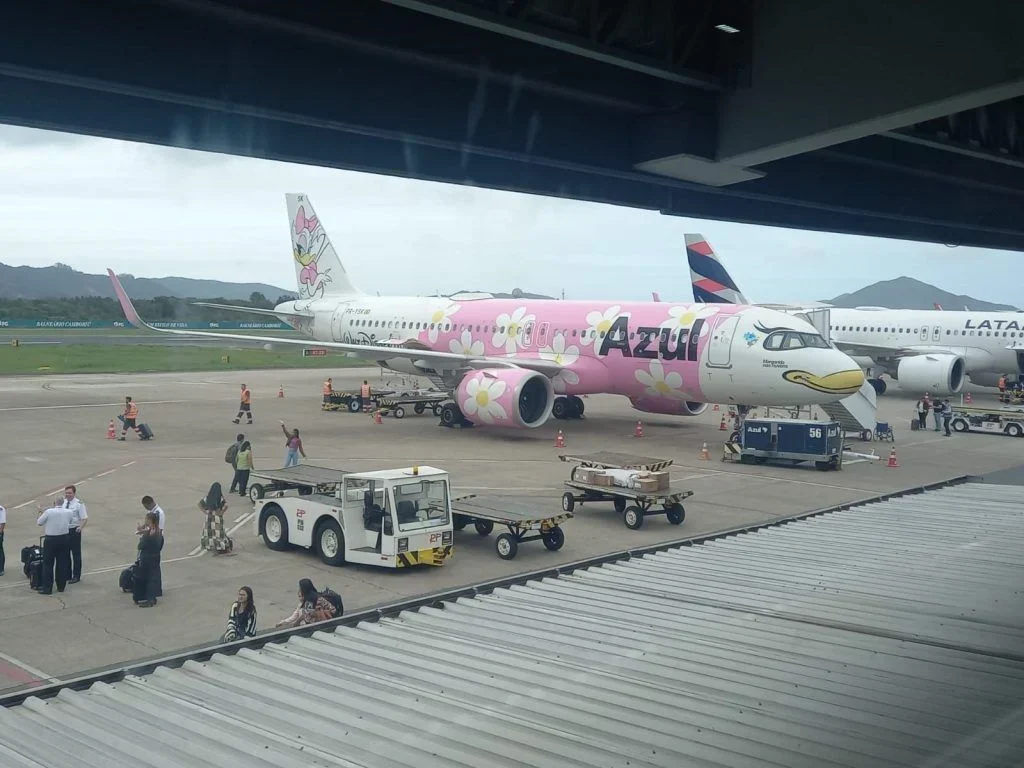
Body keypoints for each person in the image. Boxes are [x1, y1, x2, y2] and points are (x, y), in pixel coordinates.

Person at [36, 498, 73, 594]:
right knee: (62, 563)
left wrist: (40, 512)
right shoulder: (69, 512)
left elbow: (39, 522)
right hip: (64, 539)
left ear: (54, 503)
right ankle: (61, 586)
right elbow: (70, 522)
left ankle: (47, 588)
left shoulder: (49, 511)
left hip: (51, 540)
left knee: (48, 564)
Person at [133, 511, 163, 607]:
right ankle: (153, 598)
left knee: (148, 579)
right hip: (156, 557)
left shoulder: (149, 534)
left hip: (147, 559)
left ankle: (149, 599)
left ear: (150, 520)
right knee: (153, 578)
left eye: (146, 519)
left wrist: (142, 536)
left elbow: (140, 546)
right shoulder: (158, 531)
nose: (145, 521)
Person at [137, 496, 165, 597]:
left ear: (149, 503)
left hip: (156, 541)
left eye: (145, 506)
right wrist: (143, 529)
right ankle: (155, 590)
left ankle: (156, 590)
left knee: (154, 568)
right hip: (152, 539)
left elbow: (159, 530)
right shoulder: (152, 513)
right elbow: (150, 526)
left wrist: (146, 534)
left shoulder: (159, 513)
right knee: (154, 568)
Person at [62, 485, 88, 584]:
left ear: (74, 493)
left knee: (76, 554)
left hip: (74, 530)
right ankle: (67, 574)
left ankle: (76, 575)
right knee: (65, 553)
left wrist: (80, 527)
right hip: (64, 531)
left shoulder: (79, 504)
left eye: (70, 493)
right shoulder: (63, 502)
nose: (68, 495)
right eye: (66, 493)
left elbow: (84, 518)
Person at [199, 482, 232, 554]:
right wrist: (222, 512)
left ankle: (208, 545)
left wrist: (205, 512)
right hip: (217, 518)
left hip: (209, 517)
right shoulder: (220, 498)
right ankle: (221, 547)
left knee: (209, 532)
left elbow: (199, 504)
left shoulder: (208, 497)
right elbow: (226, 505)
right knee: (219, 533)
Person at [0, 502, 6, 576]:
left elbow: (2, 522)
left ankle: (1, 569)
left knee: (0, 550)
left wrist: (0, 533)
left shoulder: (1, 509)